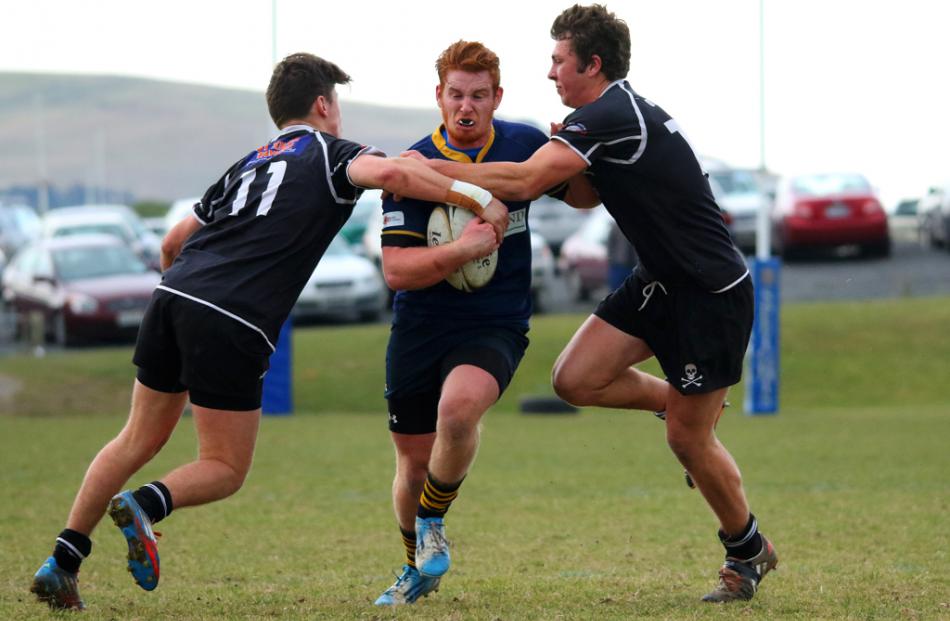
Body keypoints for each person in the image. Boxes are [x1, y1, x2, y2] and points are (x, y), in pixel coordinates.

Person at [28, 52, 509, 612]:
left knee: (136, 435)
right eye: (338, 107)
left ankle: (61, 562)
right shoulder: (333, 153)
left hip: (171, 297)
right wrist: (479, 199)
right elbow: (396, 174)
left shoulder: (250, 162)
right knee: (226, 468)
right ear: (324, 105)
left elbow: (172, 242)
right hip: (232, 317)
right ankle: (146, 505)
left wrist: (187, 301)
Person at [418, 5, 779, 603]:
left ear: (592, 63)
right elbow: (583, 196)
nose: (551, 72)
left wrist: (422, 171)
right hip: (661, 280)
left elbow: (524, 182)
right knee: (573, 379)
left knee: (688, 443)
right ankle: (678, 403)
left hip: (708, 295)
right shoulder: (602, 118)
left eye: (559, 60)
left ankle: (747, 552)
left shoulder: (612, 113)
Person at [372, 40, 590, 607]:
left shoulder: (523, 144)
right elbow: (397, 272)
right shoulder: (410, 168)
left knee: (459, 408)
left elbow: (583, 199)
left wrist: (573, 142)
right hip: (421, 325)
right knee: (413, 460)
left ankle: (431, 524)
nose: (466, 106)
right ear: (439, 97)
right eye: (455, 95)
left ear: (497, 97)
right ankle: (413, 563)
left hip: (495, 321)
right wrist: (463, 250)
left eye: (478, 95)